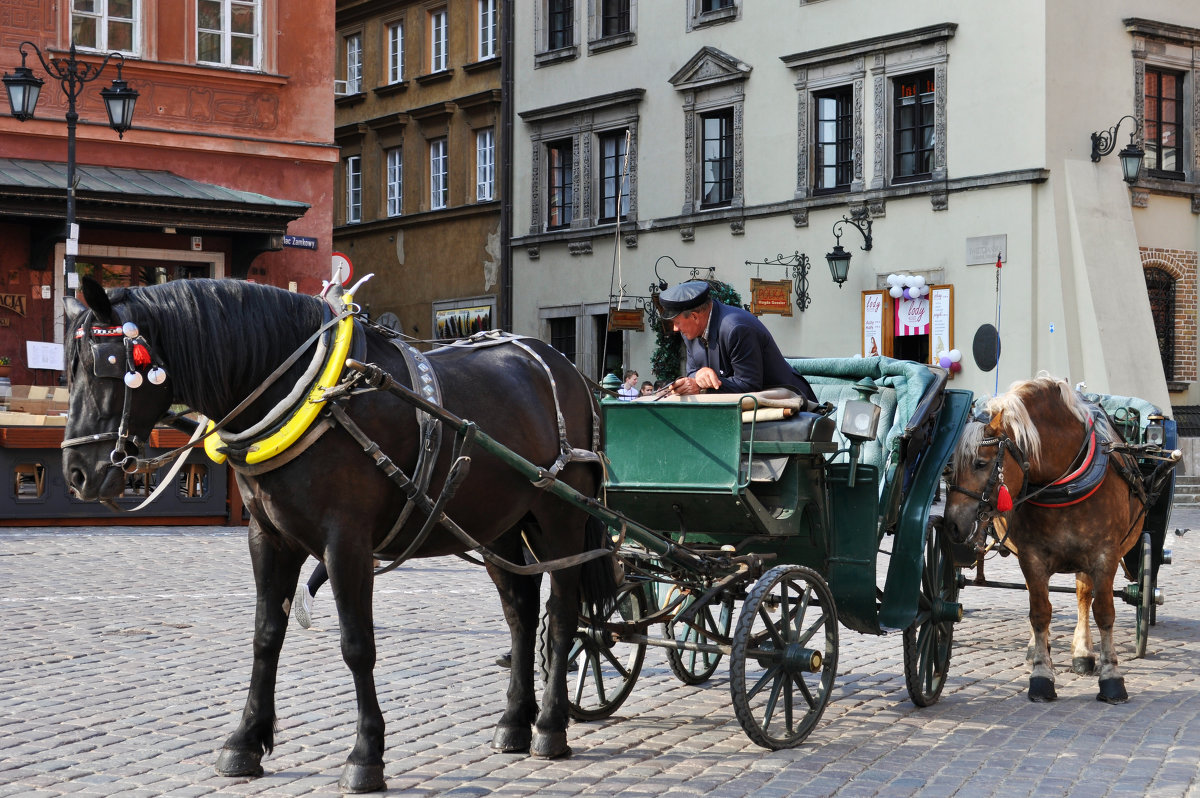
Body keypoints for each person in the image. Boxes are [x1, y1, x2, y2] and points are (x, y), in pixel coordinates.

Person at [658, 280, 817, 402]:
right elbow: (692, 373)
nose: (675, 329)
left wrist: (702, 385)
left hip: (793, 406)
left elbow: (748, 385)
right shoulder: (690, 332)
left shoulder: (736, 328)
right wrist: (699, 375)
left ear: (694, 316)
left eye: (676, 322)